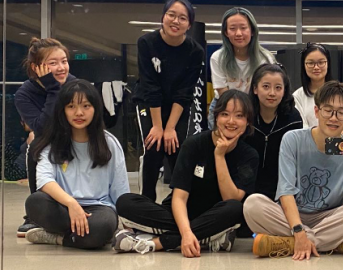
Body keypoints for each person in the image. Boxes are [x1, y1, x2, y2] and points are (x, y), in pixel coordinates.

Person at [113, 90, 258, 257]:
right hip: (179, 215)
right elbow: (179, 198)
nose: (231, 121)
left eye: (239, 116)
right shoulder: (193, 144)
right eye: (225, 114)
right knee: (125, 202)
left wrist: (219, 155)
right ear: (216, 117)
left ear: (247, 122)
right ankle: (209, 237)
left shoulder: (249, 155)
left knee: (235, 209)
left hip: (216, 215)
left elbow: (230, 198)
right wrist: (187, 232)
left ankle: (157, 242)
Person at [243, 81, 343, 259]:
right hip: (291, 215)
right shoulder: (293, 139)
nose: (334, 117)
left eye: (341, 112)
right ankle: (329, 243)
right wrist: (298, 230)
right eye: (328, 110)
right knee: (252, 204)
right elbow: (286, 191)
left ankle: (291, 243)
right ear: (316, 111)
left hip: (329, 217)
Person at [23, 79, 130, 249]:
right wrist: (71, 204)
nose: (79, 113)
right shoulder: (52, 143)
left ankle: (58, 238)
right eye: (71, 107)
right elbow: (43, 181)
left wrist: (128, 224)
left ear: (95, 109)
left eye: (86, 106)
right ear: (62, 111)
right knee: (35, 202)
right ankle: (81, 236)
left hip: (98, 208)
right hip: (63, 206)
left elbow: (120, 188)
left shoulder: (109, 143)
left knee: (103, 226)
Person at [132, 0, 205, 202]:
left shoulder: (195, 51)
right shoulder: (147, 43)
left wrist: (170, 127)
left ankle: (179, 203)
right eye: (171, 15)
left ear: (189, 25)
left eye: (183, 18)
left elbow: (185, 92)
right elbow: (150, 85)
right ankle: (146, 202)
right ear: (163, 17)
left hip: (177, 106)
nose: (176, 21)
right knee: (154, 147)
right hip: (148, 102)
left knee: (176, 149)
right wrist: (157, 126)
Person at [14, 37, 76, 237]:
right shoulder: (24, 94)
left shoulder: (75, 85)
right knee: (35, 146)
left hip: (77, 138)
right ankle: (35, 213)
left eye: (64, 61)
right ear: (36, 67)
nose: (61, 67)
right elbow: (42, 128)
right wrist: (53, 89)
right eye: (53, 63)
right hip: (47, 141)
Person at [208, 6, 276, 129]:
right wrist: (238, 115)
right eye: (232, 29)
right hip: (225, 107)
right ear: (226, 32)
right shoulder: (217, 58)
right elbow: (223, 92)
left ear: (252, 31)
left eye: (243, 28)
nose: (238, 33)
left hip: (255, 107)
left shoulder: (265, 59)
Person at [244, 63, 302, 199]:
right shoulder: (245, 116)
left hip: (282, 189)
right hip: (246, 186)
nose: (272, 93)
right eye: (266, 86)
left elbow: (295, 161)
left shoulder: (293, 119)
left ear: (284, 91)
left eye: (278, 88)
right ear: (255, 89)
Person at [294, 42, 334, 128]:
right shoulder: (298, 96)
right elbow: (302, 129)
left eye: (321, 62)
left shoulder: (338, 92)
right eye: (311, 63)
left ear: (328, 64)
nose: (316, 67)